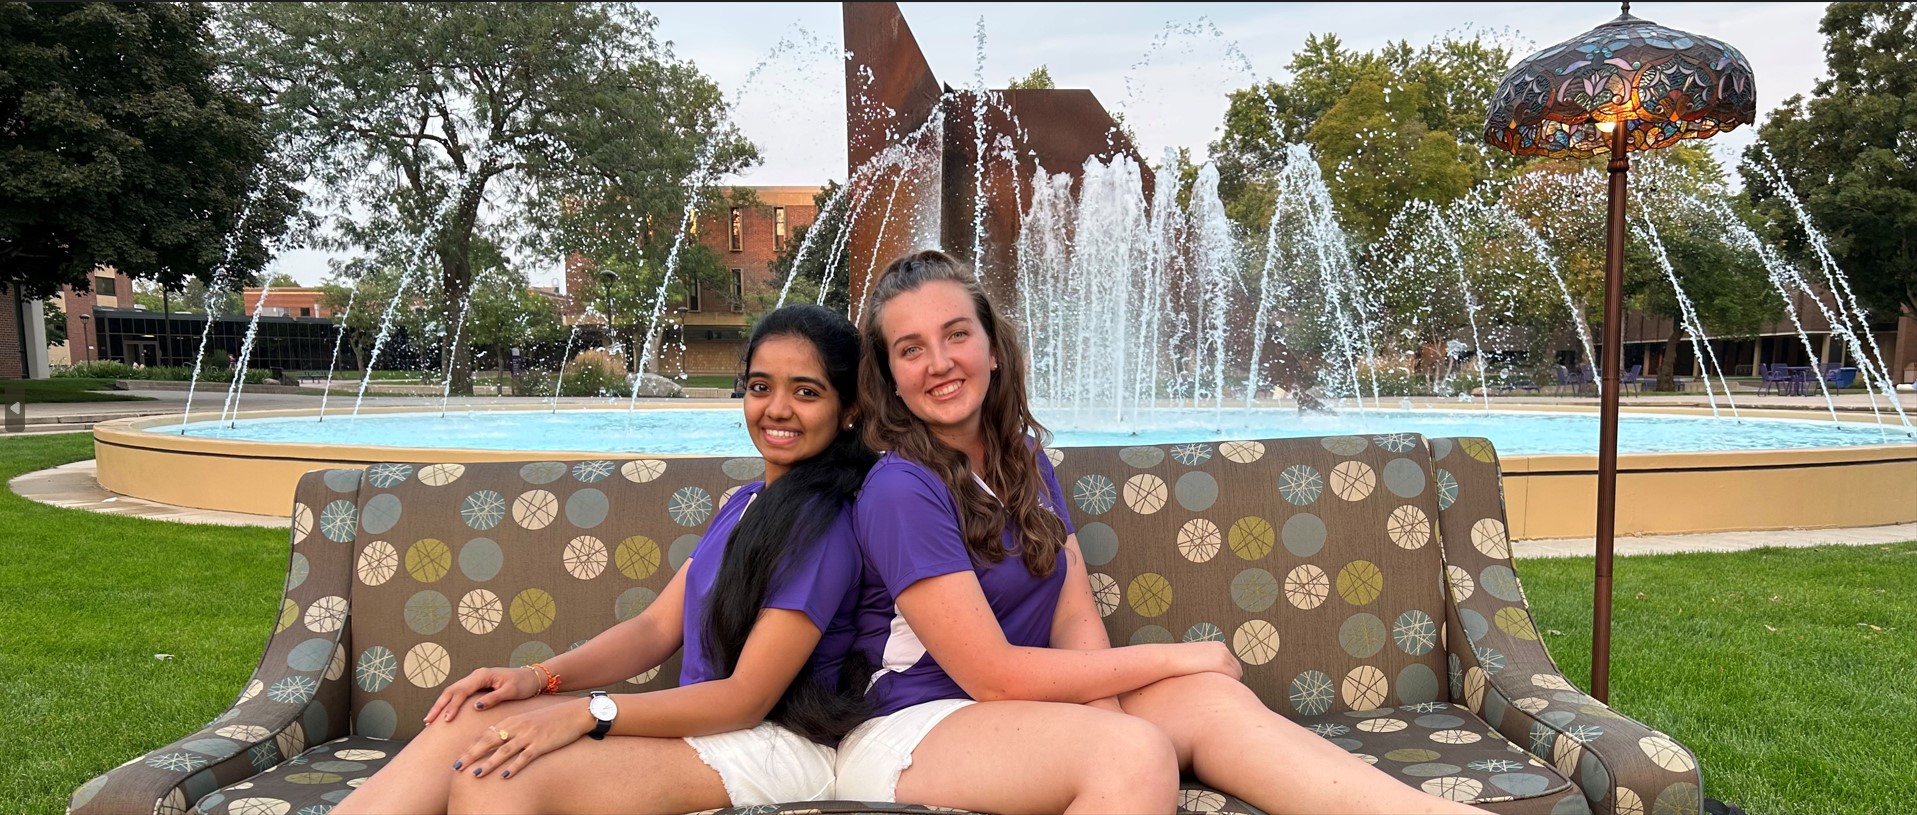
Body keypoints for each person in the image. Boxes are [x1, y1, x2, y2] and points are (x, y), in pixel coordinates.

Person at [837, 249, 1490, 815]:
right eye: (911, 349)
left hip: (1023, 714)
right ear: (890, 376)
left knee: (1207, 700)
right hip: (916, 727)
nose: (940, 362)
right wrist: (1181, 655)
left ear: (992, 348)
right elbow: (994, 678)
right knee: (1137, 743)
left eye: (956, 335)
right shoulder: (903, 488)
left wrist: (1111, 715)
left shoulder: (1021, 456)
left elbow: (1073, 619)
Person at [333, 304, 876, 814]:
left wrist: (586, 712)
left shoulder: (822, 526)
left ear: (847, 409)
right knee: (477, 717)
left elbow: (745, 698)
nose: (777, 409)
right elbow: (653, 629)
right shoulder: (746, 504)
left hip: (775, 742)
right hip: (712, 726)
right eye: (761, 387)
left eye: (807, 392)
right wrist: (538, 677)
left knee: (495, 773)